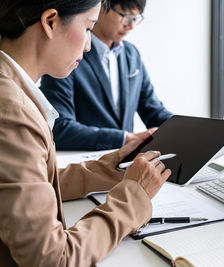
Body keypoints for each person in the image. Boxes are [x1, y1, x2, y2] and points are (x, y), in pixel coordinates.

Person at [0, 0, 171, 266]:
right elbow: (53, 258)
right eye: (89, 27)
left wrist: (112, 168)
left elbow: (31, 181)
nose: (89, 44)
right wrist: (133, 196)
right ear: (51, 22)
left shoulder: (12, 90)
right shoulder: (12, 112)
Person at [40, 0, 173, 151]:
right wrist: (124, 139)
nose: (130, 26)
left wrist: (186, 130)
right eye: (125, 16)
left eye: (135, 19)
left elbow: (153, 110)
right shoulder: (68, 56)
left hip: (128, 162)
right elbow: (59, 127)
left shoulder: (131, 54)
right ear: (101, 7)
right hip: (85, 165)